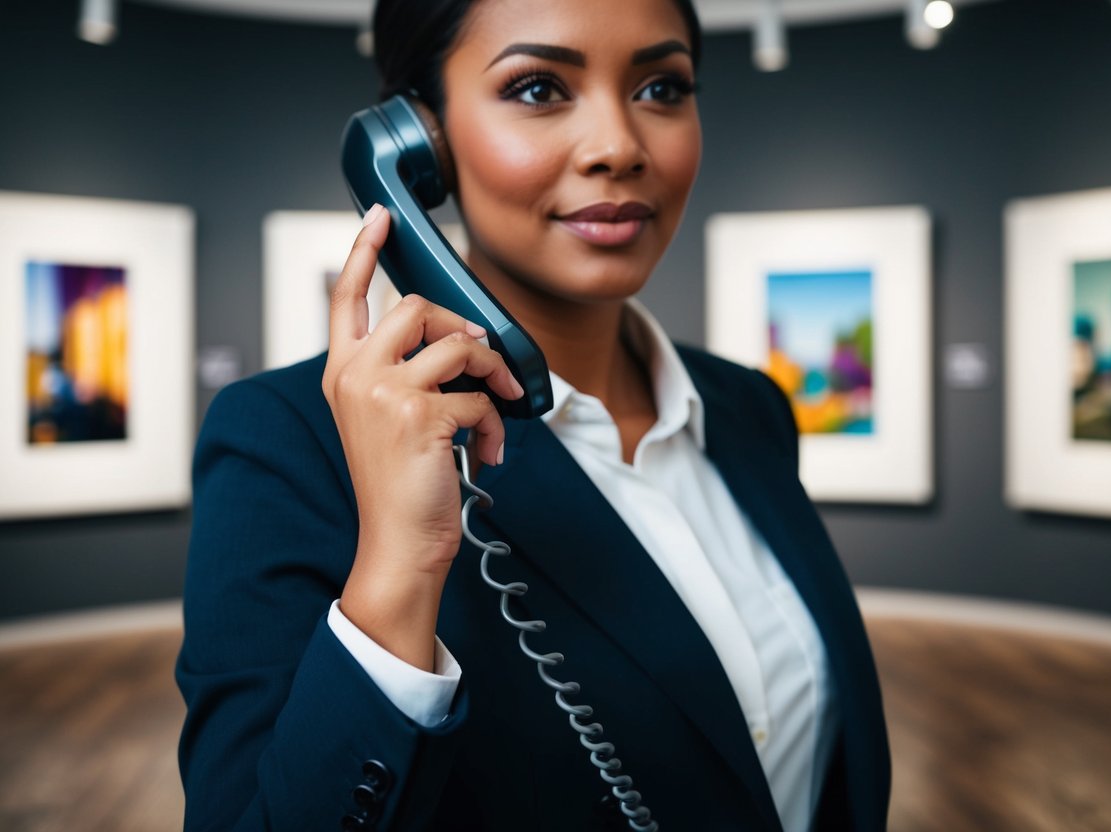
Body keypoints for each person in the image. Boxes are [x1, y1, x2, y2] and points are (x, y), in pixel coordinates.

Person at [175, 0, 891, 829]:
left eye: (662, 86)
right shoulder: (287, 440)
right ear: (415, 143)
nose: (619, 147)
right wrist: (399, 572)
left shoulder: (748, 407)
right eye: (539, 87)